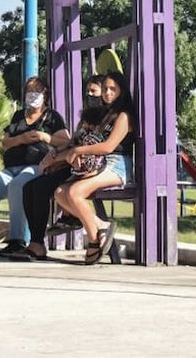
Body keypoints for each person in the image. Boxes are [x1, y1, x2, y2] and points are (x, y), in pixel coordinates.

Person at [0, 76, 69, 257]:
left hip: (36, 166)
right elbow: (4, 142)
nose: (33, 95)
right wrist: (21, 139)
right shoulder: (18, 116)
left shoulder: (52, 117)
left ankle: (17, 240)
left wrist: (44, 137)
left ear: (46, 94)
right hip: (12, 166)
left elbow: (65, 141)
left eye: (37, 90)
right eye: (30, 91)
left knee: (18, 186)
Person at [9, 74, 104, 261]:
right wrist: (55, 155)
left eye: (94, 91)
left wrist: (60, 155)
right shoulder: (86, 117)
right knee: (30, 187)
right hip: (70, 164)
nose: (89, 95)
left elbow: (93, 147)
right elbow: (73, 142)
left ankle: (40, 240)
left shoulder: (106, 118)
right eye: (87, 91)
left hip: (89, 166)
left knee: (41, 187)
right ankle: (36, 244)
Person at [54, 71, 135, 264]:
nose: (107, 93)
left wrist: (80, 150)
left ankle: (93, 240)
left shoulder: (123, 116)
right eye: (105, 89)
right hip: (99, 162)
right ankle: (100, 226)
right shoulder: (104, 114)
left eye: (112, 89)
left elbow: (108, 147)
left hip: (117, 164)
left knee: (75, 192)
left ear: (121, 91)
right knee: (59, 192)